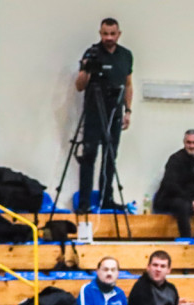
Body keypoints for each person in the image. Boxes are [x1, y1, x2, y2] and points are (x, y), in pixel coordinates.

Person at [75, 18, 134, 212]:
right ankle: (84, 202)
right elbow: (79, 86)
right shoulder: (92, 53)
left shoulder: (126, 55)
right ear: (100, 33)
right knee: (89, 157)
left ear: (119, 34)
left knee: (110, 157)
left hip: (114, 113)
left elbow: (128, 84)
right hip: (93, 112)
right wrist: (86, 68)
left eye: (112, 34)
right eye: (105, 34)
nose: (108, 38)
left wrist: (128, 110)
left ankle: (106, 198)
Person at [153, 129, 194, 238]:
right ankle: (186, 240)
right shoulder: (175, 160)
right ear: (184, 142)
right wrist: (192, 202)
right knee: (183, 206)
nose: (192, 146)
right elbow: (171, 185)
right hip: (172, 199)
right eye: (189, 142)